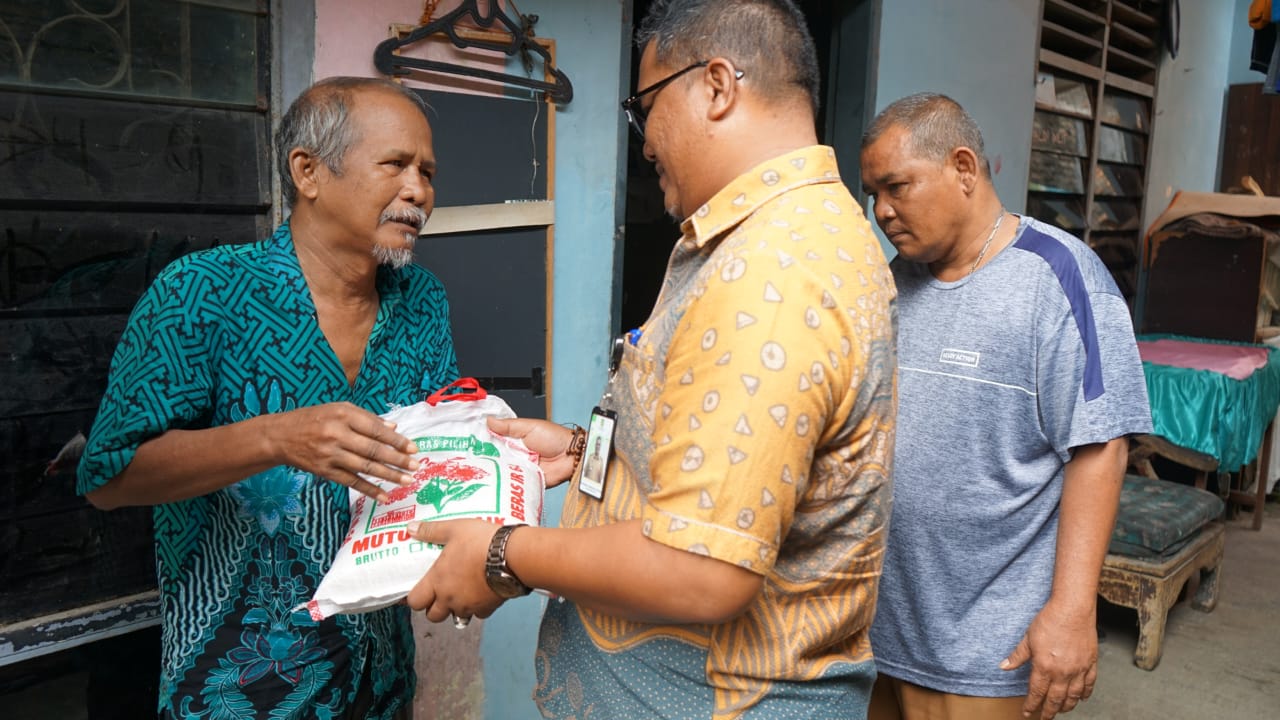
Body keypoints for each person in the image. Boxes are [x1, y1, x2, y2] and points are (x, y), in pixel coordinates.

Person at [404, 1, 897, 717]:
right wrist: (584, 450)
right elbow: (735, 462)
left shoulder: (774, 270)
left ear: (718, 85)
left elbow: (702, 568)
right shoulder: (756, 234)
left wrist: (502, 552)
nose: (643, 142)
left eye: (645, 107)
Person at [77, 76, 458, 720]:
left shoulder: (423, 302)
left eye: (427, 171)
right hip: (236, 687)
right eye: (395, 165)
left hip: (382, 677)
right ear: (307, 171)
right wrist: (275, 438)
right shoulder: (202, 292)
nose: (418, 191)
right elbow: (108, 476)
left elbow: (440, 454)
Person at [859, 93, 1152, 720]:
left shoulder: (1060, 278)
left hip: (989, 646)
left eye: (897, 187)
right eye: (872, 194)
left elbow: (1101, 448)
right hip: (882, 624)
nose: (882, 211)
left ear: (964, 169)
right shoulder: (897, 280)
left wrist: (1073, 612)